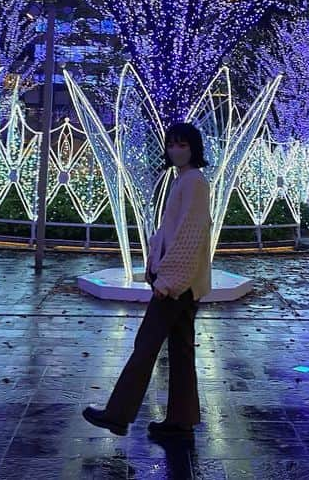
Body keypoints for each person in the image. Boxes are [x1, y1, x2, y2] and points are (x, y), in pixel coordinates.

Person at [83, 122, 212, 442]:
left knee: (146, 345)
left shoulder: (193, 182)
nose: (175, 149)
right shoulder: (185, 180)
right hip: (186, 282)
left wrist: (168, 279)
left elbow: (190, 236)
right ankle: (182, 418)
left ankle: (118, 415)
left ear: (193, 147)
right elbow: (173, 231)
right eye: (171, 144)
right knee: (181, 350)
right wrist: (157, 261)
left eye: (181, 144)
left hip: (178, 284)